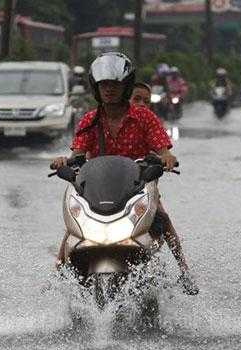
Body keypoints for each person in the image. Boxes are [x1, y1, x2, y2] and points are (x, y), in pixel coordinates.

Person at [51, 52, 198, 295]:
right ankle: (57, 273)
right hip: (96, 191)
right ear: (96, 87)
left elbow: (163, 150)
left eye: (115, 84)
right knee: (71, 230)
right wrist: (63, 161)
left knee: (163, 219)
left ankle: (184, 271)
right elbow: (77, 155)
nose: (108, 89)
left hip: (138, 189)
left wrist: (167, 158)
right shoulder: (89, 120)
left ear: (125, 86)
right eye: (104, 85)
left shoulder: (144, 117)